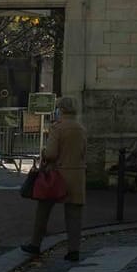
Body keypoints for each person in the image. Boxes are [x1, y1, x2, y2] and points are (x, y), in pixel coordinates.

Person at [21, 95, 87, 261]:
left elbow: (51, 153)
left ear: (61, 109)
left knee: (43, 209)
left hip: (56, 174)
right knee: (74, 215)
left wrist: (43, 153)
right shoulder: (81, 128)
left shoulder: (58, 128)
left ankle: (35, 244)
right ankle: (74, 250)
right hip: (77, 174)